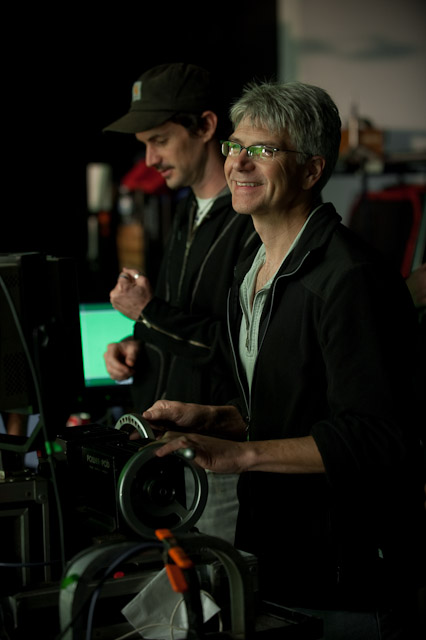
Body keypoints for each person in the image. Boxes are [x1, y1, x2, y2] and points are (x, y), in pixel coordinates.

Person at [141, 81, 426, 639]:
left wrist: (241, 454)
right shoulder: (252, 268)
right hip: (275, 554)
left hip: (342, 573)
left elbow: (375, 436)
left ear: (312, 169)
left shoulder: (351, 279)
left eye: (263, 150)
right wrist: (218, 418)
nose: (238, 162)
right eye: (234, 146)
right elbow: (303, 404)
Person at [102, 63, 259, 543]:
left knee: (222, 586)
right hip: (166, 458)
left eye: (160, 141)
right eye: (145, 144)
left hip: (217, 462)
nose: (150, 159)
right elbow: (182, 318)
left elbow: (237, 348)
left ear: (207, 126)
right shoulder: (188, 209)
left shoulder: (252, 221)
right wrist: (138, 342)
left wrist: (148, 315)